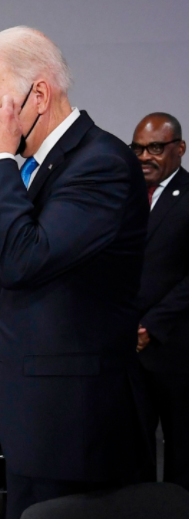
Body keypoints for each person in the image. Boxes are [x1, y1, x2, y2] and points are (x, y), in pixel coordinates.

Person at [0, 26, 150, 519]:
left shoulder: (100, 164)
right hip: (38, 414)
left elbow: (23, 259)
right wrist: (7, 394)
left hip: (76, 429)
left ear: (40, 95)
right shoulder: (41, 167)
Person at [131, 112, 189, 491]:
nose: (144, 157)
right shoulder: (124, 197)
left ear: (179, 148)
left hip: (175, 348)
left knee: (181, 451)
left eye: (154, 148)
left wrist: (151, 325)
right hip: (126, 348)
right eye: (137, 149)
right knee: (132, 450)